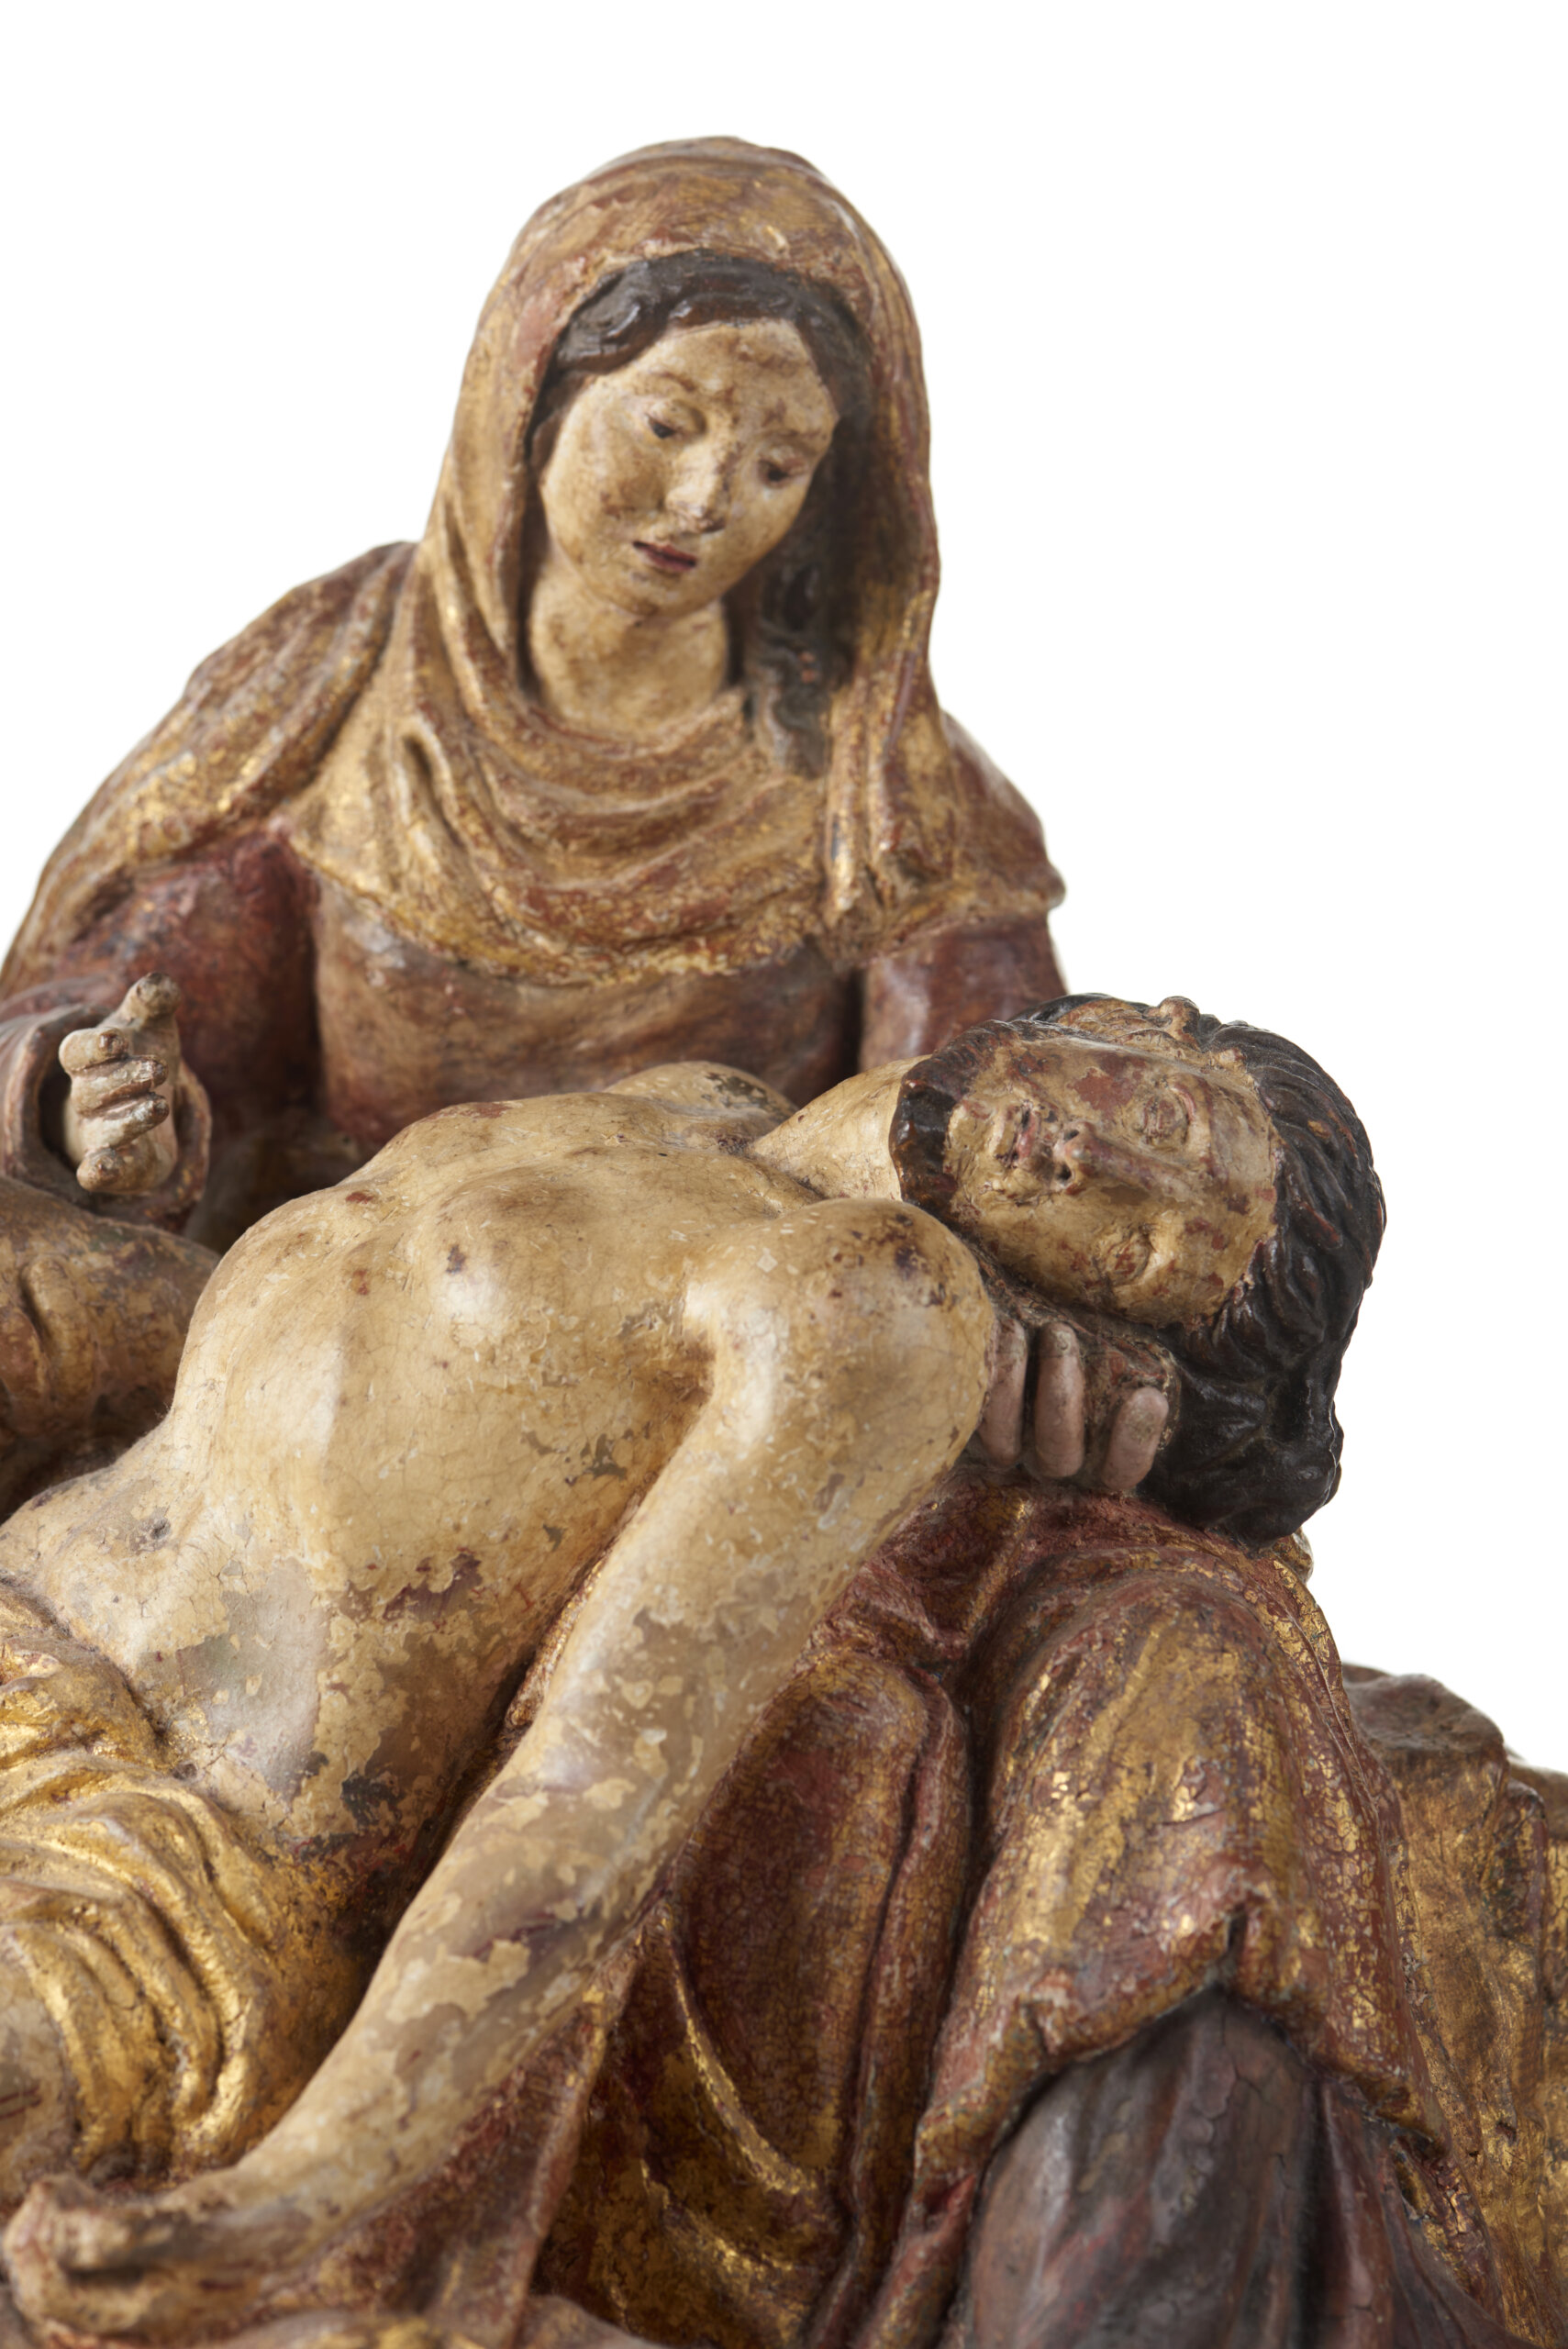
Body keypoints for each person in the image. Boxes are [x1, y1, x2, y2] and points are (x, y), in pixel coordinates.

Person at [0, 993, 1367, 2340]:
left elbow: (582, 1800)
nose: (1089, 1164)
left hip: (150, 1881)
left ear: (1113, 1344)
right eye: (1165, 1124)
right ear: (1143, 1023)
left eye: (1126, 1249)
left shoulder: (877, 1304)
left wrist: (284, 2204)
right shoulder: (700, 1103)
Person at [0, 138, 1065, 1275]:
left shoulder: (880, 785)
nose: (704, 500)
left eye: (778, 464)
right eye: (666, 424)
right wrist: (96, 1106)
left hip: (743, 1326)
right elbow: (148, 1006)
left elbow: (1002, 1141)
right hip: (334, 1312)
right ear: (535, 396)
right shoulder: (345, 684)